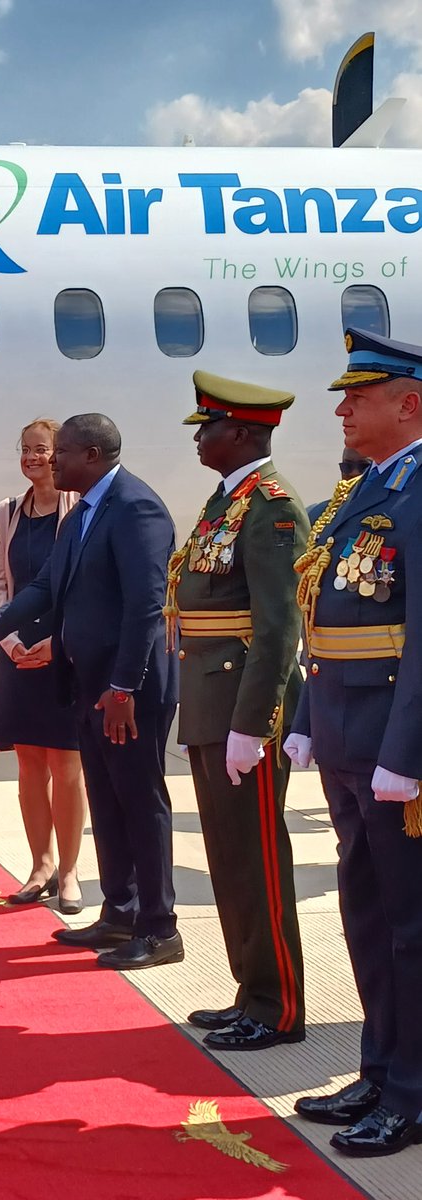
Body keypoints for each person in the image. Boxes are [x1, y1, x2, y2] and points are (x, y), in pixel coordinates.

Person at [0, 413, 182, 969]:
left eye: (63, 454)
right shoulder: (84, 511)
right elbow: (44, 588)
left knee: (139, 802)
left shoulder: (136, 508)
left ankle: (159, 927)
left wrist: (124, 685)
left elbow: (146, 607)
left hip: (127, 690)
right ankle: (120, 911)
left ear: (94, 455)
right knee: (105, 802)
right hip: (87, 686)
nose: (52, 463)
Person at [286, 328, 422, 1157]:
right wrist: (306, 718)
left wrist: (407, 755)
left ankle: (411, 1089)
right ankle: (379, 1067)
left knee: (411, 924)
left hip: (393, 752)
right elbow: (324, 620)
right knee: (366, 913)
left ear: (410, 405)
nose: (341, 408)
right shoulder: (360, 494)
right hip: (345, 738)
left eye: (359, 397)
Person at [165, 371, 309, 1051]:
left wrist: (253, 725)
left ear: (245, 433)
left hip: (241, 710)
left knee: (256, 858)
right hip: (209, 701)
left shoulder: (272, 509)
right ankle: (249, 991)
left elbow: (279, 627)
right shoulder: (226, 503)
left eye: (211, 428)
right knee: (227, 858)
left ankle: (277, 1006)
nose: (201, 439)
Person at [0, 418, 85, 912]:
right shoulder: (3, 514)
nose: (31, 458)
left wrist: (55, 641)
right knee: (28, 762)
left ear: (58, 454)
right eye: (24, 449)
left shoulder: (79, 511)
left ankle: (69, 871)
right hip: (16, 652)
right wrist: (11, 640)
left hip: (62, 651)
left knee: (66, 763)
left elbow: (82, 587)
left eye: (40, 450)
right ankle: (39, 865)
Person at [306, 446, 372, 524]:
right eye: (347, 466)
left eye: (364, 466)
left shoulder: (387, 514)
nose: (354, 473)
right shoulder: (314, 514)